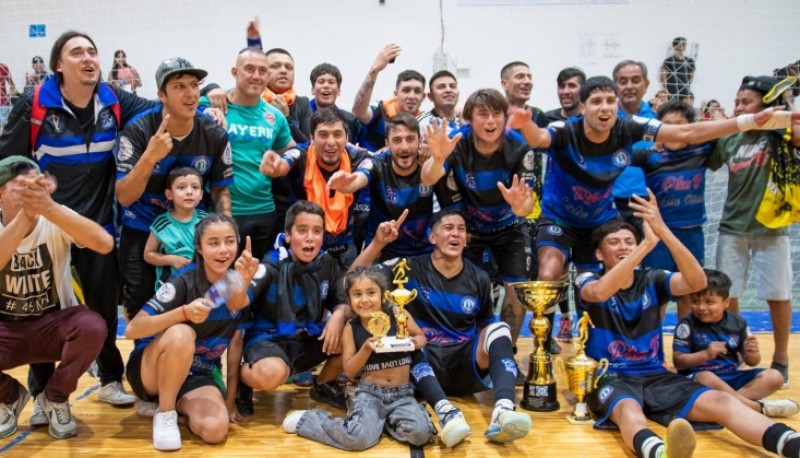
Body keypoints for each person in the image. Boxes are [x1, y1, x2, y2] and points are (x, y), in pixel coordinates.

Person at [510, 74, 798, 302]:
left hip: (600, 220)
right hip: (560, 217)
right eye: (596, 101)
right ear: (583, 107)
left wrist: (746, 122)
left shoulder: (628, 127)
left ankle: (602, 340)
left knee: (617, 278)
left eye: (610, 100)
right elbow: (537, 139)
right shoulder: (566, 131)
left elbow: (686, 132)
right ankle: (543, 340)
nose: (605, 107)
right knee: (548, 273)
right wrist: (525, 125)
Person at [0, 30, 158, 417]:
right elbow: (8, 157)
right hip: (42, 224)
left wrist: (209, 103)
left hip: (94, 224)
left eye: (92, 51)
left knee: (103, 305)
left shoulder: (114, 98)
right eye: (76, 52)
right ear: (58, 65)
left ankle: (109, 379)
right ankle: (41, 395)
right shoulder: (35, 103)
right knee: (41, 306)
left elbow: (160, 110)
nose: (88, 58)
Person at [578, 193, 800, 458]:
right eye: (614, 243)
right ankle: (661, 453)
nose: (624, 247)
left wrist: (663, 232)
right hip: (610, 374)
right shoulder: (588, 278)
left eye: (629, 241)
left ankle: (791, 444)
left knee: (722, 400)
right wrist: (645, 247)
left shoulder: (653, 278)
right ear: (599, 253)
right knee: (629, 411)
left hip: (656, 375)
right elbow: (600, 293)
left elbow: (696, 282)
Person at [352, 209, 530, 444]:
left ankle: (504, 409)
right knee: (406, 341)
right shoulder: (409, 268)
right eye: (448, 228)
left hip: (463, 364)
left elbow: (484, 330)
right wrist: (377, 243)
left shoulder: (480, 278)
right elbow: (355, 275)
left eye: (461, 229)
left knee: (500, 330)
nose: (456, 233)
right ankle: (445, 412)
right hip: (423, 363)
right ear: (432, 237)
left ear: (466, 239)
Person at [0, 156, 112, 439]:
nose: (31, 193)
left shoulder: (54, 214)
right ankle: (9, 396)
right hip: (8, 330)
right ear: (0, 192)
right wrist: (26, 216)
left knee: (92, 326)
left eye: (35, 186)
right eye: (21, 186)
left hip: (53, 326)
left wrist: (50, 209)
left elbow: (104, 243)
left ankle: (56, 396)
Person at [420, 88, 535, 365]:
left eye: (496, 113)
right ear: (470, 119)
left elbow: (527, 206)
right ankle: (473, 355)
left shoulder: (519, 147)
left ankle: (505, 355)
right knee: (467, 291)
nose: (491, 121)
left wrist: (518, 205)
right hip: (468, 229)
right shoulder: (457, 143)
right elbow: (427, 178)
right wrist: (436, 159)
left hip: (509, 227)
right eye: (483, 114)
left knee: (517, 292)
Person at [125, 213, 258, 451]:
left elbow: (236, 346)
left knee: (215, 430)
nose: (223, 250)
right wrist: (183, 313)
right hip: (152, 371)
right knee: (182, 334)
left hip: (199, 373)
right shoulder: (182, 282)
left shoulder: (238, 284)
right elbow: (133, 329)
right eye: (213, 243)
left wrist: (229, 402)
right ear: (199, 247)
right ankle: (164, 413)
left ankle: (176, 408)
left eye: (229, 241)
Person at [115, 57, 234, 320]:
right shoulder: (137, 131)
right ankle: (141, 360)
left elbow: (220, 191)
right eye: (179, 86)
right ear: (161, 95)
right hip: (142, 228)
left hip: (192, 233)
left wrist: (225, 237)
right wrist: (150, 157)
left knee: (195, 306)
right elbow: (124, 196)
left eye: (193, 85)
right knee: (139, 307)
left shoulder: (214, 133)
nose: (190, 93)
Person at [708, 75, 800, 388]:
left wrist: (783, 108)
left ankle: (781, 359)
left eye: (745, 102)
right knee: (728, 294)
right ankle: (736, 350)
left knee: (779, 295)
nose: (738, 107)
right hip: (732, 226)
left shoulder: (781, 131)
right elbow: (709, 161)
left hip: (772, 227)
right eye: (736, 101)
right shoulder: (731, 136)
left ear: (766, 105)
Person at [282, 266, 434, 451]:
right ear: (349, 300)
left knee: (420, 435)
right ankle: (308, 420)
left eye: (371, 293)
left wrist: (411, 342)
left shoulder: (397, 314)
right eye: (357, 294)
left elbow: (421, 337)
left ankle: (376, 423)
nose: (364, 300)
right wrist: (366, 348)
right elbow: (351, 371)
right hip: (370, 394)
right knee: (358, 439)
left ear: (383, 296)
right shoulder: (351, 328)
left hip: (402, 394)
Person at [231, 201, 351, 416]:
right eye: (302, 230)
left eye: (317, 231)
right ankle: (244, 379)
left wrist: (339, 315)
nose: (310, 237)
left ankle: (323, 384)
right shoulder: (270, 265)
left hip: (306, 337)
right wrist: (243, 280)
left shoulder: (327, 263)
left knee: (355, 333)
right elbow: (238, 303)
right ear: (287, 235)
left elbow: (342, 300)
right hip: (268, 339)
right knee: (273, 374)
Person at [198, 47, 296, 261]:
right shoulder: (214, 104)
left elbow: (295, 152)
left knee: (261, 282)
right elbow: (184, 105)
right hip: (222, 213)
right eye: (249, 69)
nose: (256, 75)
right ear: (235, 72)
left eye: (263, 70)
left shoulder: (275, 117)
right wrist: (208, 89)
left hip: (265, 211)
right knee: (224, 283)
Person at [673, 268, 800, 418]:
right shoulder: (686, 325)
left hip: (731, 377)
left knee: (775, 376)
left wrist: (752, 353)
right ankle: (755, 407)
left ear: (726, 302)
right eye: (695, 302)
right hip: (698, 381)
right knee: (706, 376)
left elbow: (752, 362)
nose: (701, 308)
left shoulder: (738, 323)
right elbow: (678, 362)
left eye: (709, 302)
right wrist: (705, 354)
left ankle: (733, 405)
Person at [327, 114, 455, 260]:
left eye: (410, 139)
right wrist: (347, 185)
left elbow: (431, 176)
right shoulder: (377, 163)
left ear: (420, 141)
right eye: (397, 140)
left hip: (422, 250)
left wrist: (438, 159)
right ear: (387, 143)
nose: (404, 147)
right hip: (381, 249)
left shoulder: (430, 161)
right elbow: (359, 178)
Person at [260, 108, 369, 268]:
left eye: (337, 134)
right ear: (312, 137)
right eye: (323, 135)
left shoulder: (358, 158)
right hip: (305, 248)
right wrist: (275, 168)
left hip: (345, 249)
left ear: (347, 138)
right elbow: (285, 163)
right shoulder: (300, 154)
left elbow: (382, 164)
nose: (331, 142)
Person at [639, 100, 714, 319]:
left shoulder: (703, 149)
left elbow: (719, 132)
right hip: (658, 236)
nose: (672, 131)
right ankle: (652, 348)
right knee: (657, 293)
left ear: (690, 127)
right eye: (667, 125)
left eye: (679, 125)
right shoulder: (649, 156)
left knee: (690, 292)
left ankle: (685, 346)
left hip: (691, 233)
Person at [351, 44, 426, 151]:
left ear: (423, 97)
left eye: (417, 91)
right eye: (406, 90)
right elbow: (358, 111)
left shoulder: (426, 122)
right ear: (395, 94)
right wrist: (374, 70)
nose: (412, 96)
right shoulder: (380, 110)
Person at [612, 60, 657, 236]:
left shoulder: (658, 117)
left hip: (649, 202)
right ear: (615, 86)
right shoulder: (605, 118)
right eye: (623, 82)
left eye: (635, 80)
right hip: (611, 202)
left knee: (650, 258)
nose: (629, 86)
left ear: (646, 85)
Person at [143, 167, 207, 287]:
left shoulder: (207, 220)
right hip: (171, 286)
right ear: (169, 194)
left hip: (202, 283)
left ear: (201, 194)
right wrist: (172, 259)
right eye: (181, 187)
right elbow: (148, 254)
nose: (189, 192)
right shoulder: (161, 224)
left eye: (195, 187)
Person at [0, 63, 18, 131]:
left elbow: (12, 86)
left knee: (4, 129)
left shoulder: (3, 67)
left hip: (3, 104)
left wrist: (8, 97)